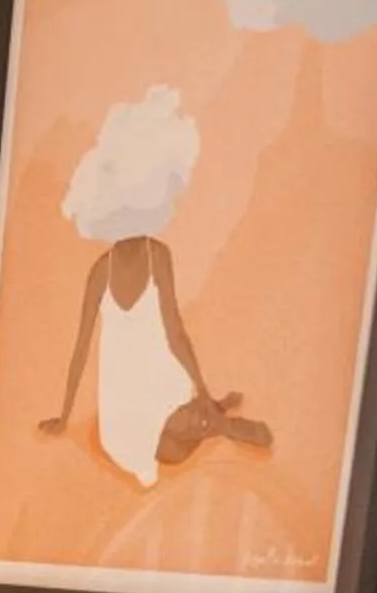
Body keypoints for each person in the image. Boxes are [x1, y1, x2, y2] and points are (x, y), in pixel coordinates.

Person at [37, 85, 271, 487]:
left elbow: (175, 333)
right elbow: (82, 347)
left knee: (174, 437)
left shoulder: (152, 256)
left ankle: (213, 418)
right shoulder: (104, 270)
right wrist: (63, 415)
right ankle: (217, 424)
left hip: (159, 384)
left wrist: (202, 389)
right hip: (126, 402)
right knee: (170, 449)